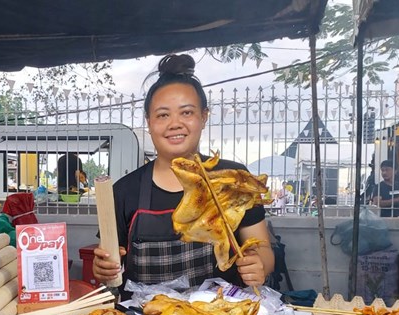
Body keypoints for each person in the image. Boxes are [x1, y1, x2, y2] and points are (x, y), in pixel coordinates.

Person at [92, 54, 274, 298]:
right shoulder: (125, 191)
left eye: (186, 113)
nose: (175, 124)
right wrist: (102, 268)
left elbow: (263, 250)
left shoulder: (232, 181)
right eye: (163, 115)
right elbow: (109, 263)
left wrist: (259, 264)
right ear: (149, 121)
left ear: (204, 117)